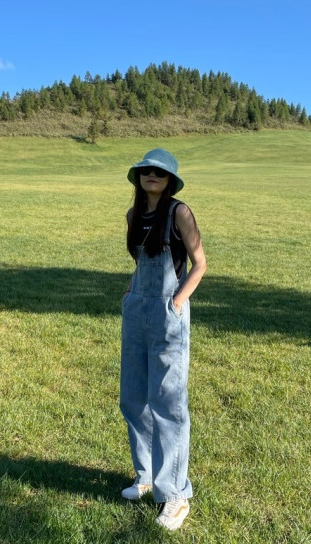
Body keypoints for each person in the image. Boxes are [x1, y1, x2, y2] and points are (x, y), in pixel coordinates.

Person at [119, 148, 207, 531]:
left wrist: (177, 302)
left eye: (160, 171)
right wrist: (130, 293)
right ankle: (147, 476)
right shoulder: (133, 215)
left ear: (170, 179)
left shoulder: (180, 213)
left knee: (168, 403)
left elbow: (200, 263)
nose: (152, 175)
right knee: (133, 397)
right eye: (146, 170)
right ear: (138, 177)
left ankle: (175, 495)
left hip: (168, 316)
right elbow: (140, 262)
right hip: (136, 312)